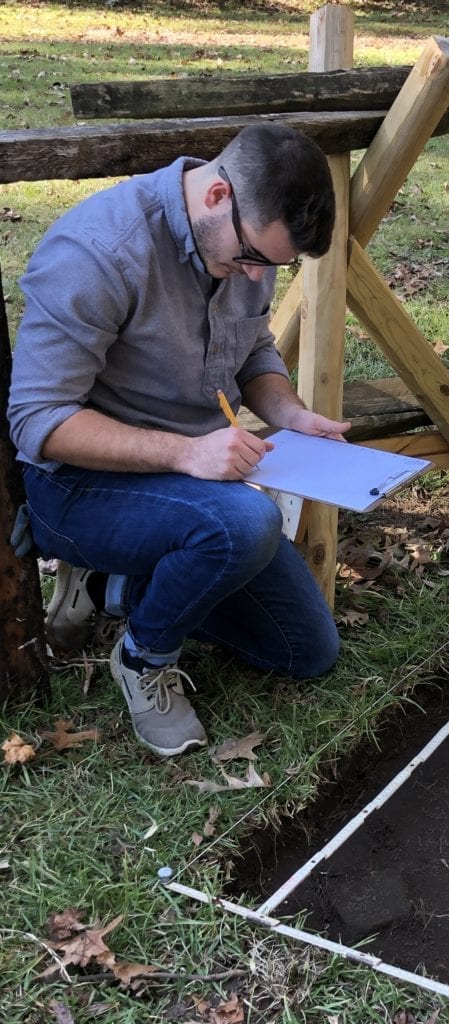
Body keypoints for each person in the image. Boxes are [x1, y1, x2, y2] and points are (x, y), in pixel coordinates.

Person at [8, 122, 350, 758]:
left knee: (305, 650)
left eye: (272, 266)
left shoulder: (247, 241)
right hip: (78, 487)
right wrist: (186, 453)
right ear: (217, 195)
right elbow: (39, 421)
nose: (255, 273)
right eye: (251, 257)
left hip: (189, 486)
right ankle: (143, 658)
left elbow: (254, 348)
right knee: (246, 522)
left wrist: (291, 413)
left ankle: (110, 587)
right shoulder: (97, 251)